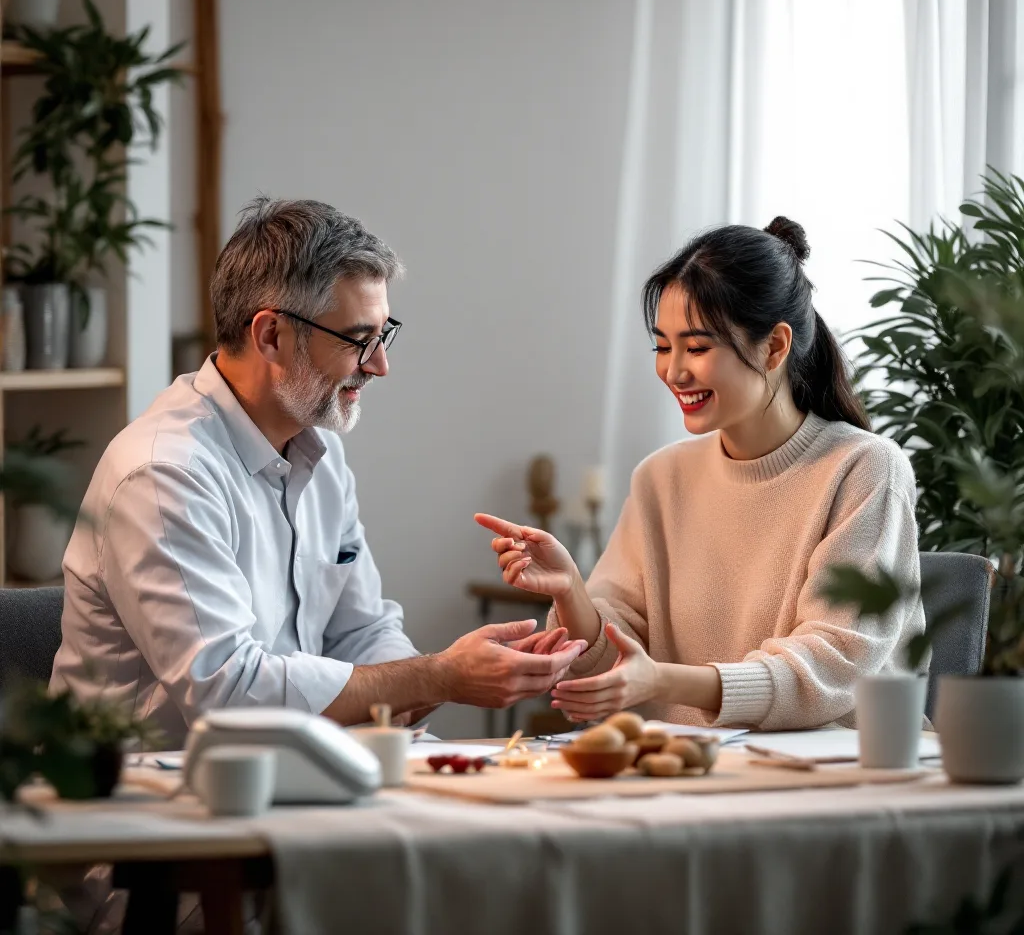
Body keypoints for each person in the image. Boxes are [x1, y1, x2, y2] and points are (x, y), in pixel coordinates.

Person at [51, 197, 584, 747]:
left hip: (285, 777)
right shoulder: (164, 473)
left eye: (384, 334)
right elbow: (228, 692)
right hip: (142, 802)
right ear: (271, 336)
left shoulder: (320, 454)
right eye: (358, 340)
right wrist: (441, 676)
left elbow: (364, 631)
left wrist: (441, 682)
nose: (380, 364)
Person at [478, 217, 923, 731]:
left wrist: (663, 682)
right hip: (693, 771)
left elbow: (833, 665)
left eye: (697, 347)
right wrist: (569, 590)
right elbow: (612, 658)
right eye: (662, 347)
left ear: (775, 347)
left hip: (836, 774)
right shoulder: (661, 478)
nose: (674, 371)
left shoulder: (863, 469)